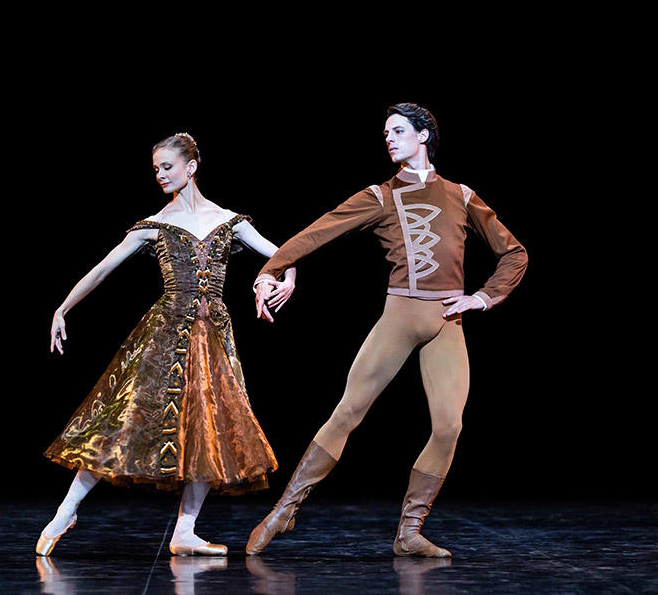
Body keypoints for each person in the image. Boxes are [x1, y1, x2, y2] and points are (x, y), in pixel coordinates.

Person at [247, 103, 527, 557]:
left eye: (398, 131)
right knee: (349, 411)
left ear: (423, 135)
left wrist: (482, 296)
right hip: (399, 316)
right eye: (385, 133)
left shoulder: (462, 194)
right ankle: (284, 510)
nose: (389, 139)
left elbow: (514, 253)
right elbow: (317, 233)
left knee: (449, 426)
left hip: (447, 321)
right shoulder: (380, 195)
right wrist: (272, 269)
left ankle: (410, 531)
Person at [37, 132, 296, 557]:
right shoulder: (154, 226)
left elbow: (285, 253)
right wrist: (62, 308)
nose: (159, 174)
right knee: (121, 419)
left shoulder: (230, 220)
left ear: (191, 167)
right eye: (155, 169)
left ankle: (186, 531)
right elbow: (103, 268)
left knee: (206, 428)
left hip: (211, 337)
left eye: (167, 167)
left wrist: (285, 279)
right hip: (164, 335)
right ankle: (66, 511)